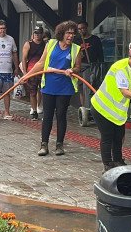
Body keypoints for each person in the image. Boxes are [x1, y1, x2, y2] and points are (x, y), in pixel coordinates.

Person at [38, 21, 82, 156]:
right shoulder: (50, 44)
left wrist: (71, 70)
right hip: (49, 85)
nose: (71, 36)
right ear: (61, 33)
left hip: (65, 87)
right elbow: (41, 63)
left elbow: (78, 68)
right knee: (47, 115)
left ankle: (59, 144)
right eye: (68, 33)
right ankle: (44, 144)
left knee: (61, 114)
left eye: (73, 34)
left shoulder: (76, 49)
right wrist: (26, 76)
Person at [91, 43, 131, 171]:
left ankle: (118, 161)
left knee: (119, 136)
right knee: (108, 136)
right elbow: (124, 91)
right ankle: (108, 165)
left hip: (116, 111)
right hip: (101, 107)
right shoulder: (120, 67)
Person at [75, 21, 105, 109]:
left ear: (87, 28)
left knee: (88, 87)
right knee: (81, 88)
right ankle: (83, 107)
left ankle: (90, 108)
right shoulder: (76, 41)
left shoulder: (95, 39)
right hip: (79, 66)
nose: (81, 31)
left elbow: (100, 53)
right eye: (79, 29)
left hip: (91, 65)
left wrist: (100, 65)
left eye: (83, 28)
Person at [20, 27, 46, 120]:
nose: (37, 35)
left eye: (39, 33)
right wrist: (25, 72)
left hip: (43, 71)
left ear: (42, 34)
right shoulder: (28, 44)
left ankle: (42, 110)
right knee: (32, 92)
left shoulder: (45, 44)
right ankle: (34, 111)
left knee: (44, 92)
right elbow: (23, 58)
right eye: (35, 33)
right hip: (32, 71)